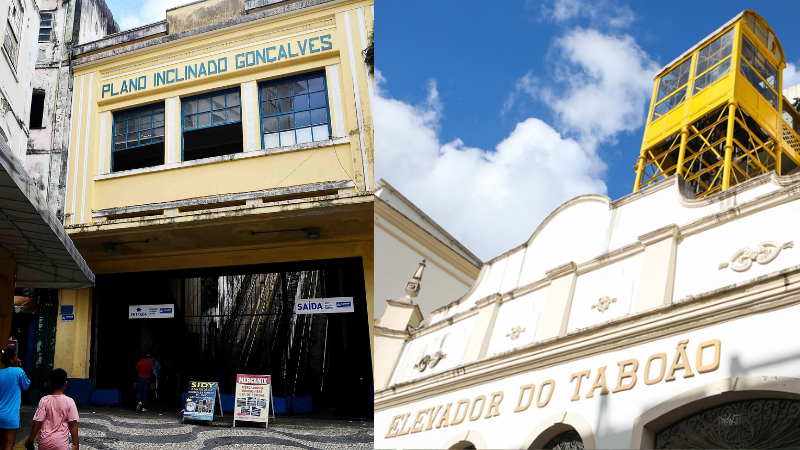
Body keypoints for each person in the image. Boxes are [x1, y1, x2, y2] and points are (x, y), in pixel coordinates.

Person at [24, 368, 79, 450]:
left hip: (44, 443)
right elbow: (73, 423)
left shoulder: (44, 400)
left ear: (51, 383)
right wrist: (75, 445)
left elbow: (38, 422)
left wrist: (31, 440)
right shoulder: (69, 401)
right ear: (65, 384)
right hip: (61, 443)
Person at [0, 348, 31, 450]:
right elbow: (26, 385)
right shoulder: (18, 372)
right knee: (8, 446)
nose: (18, 359)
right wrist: (21, 367)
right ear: (11, 360)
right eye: (16, 357)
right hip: (10, 416)